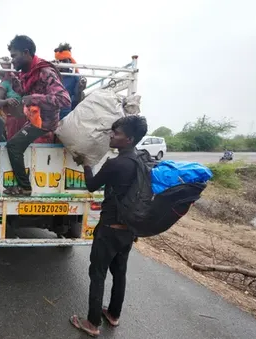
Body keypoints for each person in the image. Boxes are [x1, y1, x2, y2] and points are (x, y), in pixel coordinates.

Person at [69, 115, 148, 337]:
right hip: (128, 230)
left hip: (109, 230)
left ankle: (92, 323)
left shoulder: (116, 164)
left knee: (98, 273)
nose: (112, 136)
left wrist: (86, 164)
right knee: (120, 272)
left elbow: (91, 185)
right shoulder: (140, 162)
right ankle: (113, 315)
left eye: (118, 133)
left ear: (130, 139)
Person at [5, 35, 71, 196]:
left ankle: (25, 187)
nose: (12, 60)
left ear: (26, 53)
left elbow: (64, 100)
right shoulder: (28, 72)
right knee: (15, 142)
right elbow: (26, 93)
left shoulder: (44, 71)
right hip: (35, 120)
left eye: (14, 56)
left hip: (45, 124)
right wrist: (13, 80)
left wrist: (34, 98)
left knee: (13, 145)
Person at [54, 43, 87, 120]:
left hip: (68, 111)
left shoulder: (75, 76)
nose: (63, 64)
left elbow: (77, 97)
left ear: (69, 61)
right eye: (60, 61)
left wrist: (80, 88)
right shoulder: (52, 75)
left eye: (65, 61)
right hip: (53, 110)